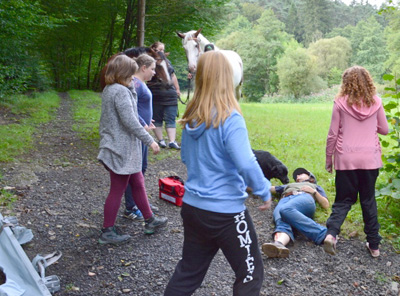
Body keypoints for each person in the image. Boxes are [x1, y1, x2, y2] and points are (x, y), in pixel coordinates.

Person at [164, 51, 272, 296]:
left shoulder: (191, 117)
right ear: (229, 78)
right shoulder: (230, 118)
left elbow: (185, 158)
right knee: (250, 275)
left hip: (193, 208)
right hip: (225, 214)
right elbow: (245, 162)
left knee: (189, 272)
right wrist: (264, 189)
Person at [97, 55, 168, 245]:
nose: (133, 76)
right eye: (131, 72)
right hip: (121, 148)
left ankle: (150, 220)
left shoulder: (112, 89)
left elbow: (133, 114)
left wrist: (132, 90)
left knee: (137, 182)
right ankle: (107, 230)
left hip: (123, 147)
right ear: (124, 72)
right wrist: (150, 141)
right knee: (117, 189)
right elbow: (130, 121)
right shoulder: (119, 91)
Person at [324, 66, 389, 258]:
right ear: (368, 82)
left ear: (346, 84)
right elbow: (384, 129)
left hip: (346, 159)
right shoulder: (377, 102)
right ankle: (374, 246)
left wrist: (329, 159)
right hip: (370, 159)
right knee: (368, 200)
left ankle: (331, 234)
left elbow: (332, 134)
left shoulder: (339, 103)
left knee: (343, 199)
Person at [262, 168, 329, 258]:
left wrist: (314, 192)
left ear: (311, 178)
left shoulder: (314, 186)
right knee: (281, 221)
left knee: (285, 209)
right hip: (285, 200)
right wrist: (243, 186)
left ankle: (323, 233)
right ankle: (279, 244)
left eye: (301, 174)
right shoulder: (289, 185)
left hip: (303, 198)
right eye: (297, 175)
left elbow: (326, 205)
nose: (297, 176)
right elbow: (267, 189)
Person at [123, 54, 159, 221]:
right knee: (136, 170)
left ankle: (140, 203)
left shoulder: (140, 83)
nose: (154, 73)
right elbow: (130, 109)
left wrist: (147, 119)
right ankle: (131, 207)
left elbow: (140, 106)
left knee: (141, 168)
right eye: (152, 69)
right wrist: (143, 123)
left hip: (142, 131)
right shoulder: (135, 83)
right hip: (138, 133)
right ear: (143, 67)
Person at [148, 41, 181, 149]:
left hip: (170, 94)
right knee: (157, 117)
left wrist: (177, 89)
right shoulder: (150, 61)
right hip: (156, 94)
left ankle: (172, 141)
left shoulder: (167, 61)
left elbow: (172, 75)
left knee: (171, 117)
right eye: (159, 49)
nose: (162, 51)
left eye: (163, 49)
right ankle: (160, 140)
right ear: (153, 49)